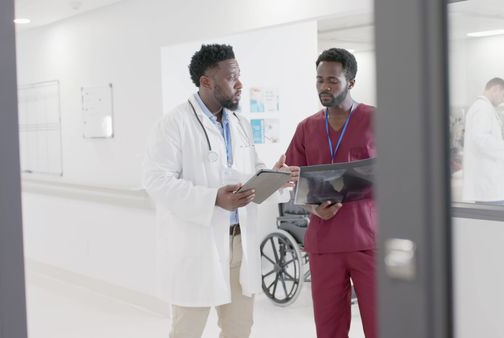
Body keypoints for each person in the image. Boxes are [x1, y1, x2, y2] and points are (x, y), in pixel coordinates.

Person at [142, 43, 297, 338]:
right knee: (187, 330)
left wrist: (275, 176)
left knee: (239, 328)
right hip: (197, 244)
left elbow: (248, 171)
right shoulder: (174, 124)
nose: (240, 84)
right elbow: (157, 181)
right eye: (232, 77)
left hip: (240, 244)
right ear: (206, 81)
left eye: (239, 75)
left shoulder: (240, 124)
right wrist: (213, 198)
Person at [284, 48, 377, 338]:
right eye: (320, 80)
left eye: (332, 81)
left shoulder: (376, 120)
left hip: (368, 240)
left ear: (350, 81)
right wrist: (312, 208)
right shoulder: (306, 128)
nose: (324, 87)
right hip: (324, 243)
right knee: (329, 329)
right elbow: (291, 180)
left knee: (381, 324)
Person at [462, 77, 504, 205]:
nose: (503, 100)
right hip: (488, 184)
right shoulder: (482, 108)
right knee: (491, 222)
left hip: (488, 184)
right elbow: (481, 139)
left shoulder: (484, 108)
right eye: (503, 95)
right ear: (495, 89)